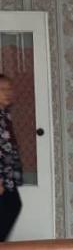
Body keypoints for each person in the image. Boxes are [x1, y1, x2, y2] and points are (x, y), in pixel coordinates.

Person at [0, 74, 23, 240]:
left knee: (12, 205)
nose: (8, 92)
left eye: (9, 89)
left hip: (7, 174)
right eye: (2, 89)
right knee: (11, 206)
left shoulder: (4, 114)